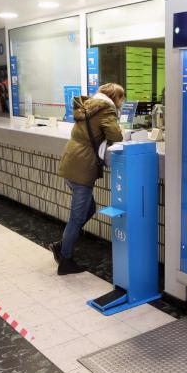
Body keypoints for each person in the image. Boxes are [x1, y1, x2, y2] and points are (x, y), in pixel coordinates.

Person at [50, 83, 125, 275]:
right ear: (115, 98)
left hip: (71, 162)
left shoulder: (88, 106)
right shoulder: (106, 109)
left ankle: (62, 244)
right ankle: (65, 259)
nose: (122, 103)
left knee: (88, 209)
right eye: (121, 99)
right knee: (77, 217)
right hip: (82, 167)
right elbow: (116, 135)